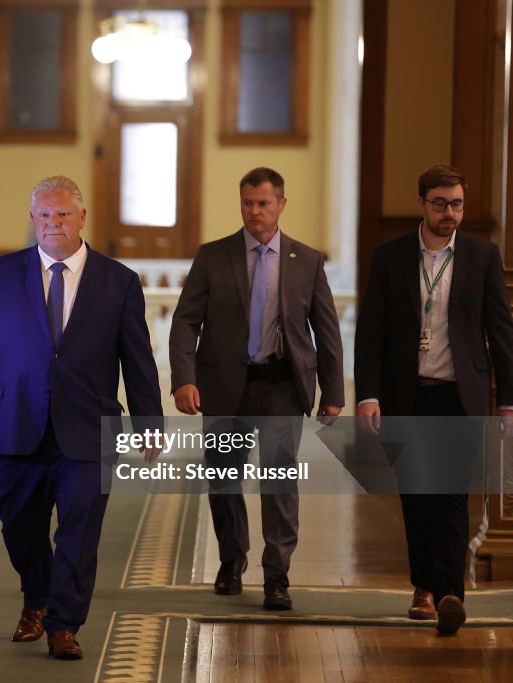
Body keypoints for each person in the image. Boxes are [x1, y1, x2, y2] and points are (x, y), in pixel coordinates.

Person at [0, 175, 162, 660]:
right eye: (43, 214)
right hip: (16, 422)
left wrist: (150, 423)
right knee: (17, 522)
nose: (53, 223)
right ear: (32, 219)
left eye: (62, 214)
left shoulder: (119, 281)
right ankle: (38, 598)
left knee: (79, 531)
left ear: (82, 217)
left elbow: (138, 359)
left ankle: (64, 625)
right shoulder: (1, 273)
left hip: (90, 427)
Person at [168, 167, 345, 611]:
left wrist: (333, 393)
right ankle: (232, 561)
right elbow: (186, 320)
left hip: (281, 385)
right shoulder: (214, 256)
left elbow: (327, 330)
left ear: (281, 204)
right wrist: (184, 378)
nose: (254, 211)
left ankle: (276, 576)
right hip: (225, 387)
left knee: (279, 482)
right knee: (224, 481)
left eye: (263, 203)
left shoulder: (306, 260)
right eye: (247, 203)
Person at [354, 164, 513, 635]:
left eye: (457, 204)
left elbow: (500, 332)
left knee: (451, 496)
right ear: (422, 203)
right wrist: (368, 395)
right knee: (417, 496)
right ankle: (423, 586)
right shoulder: (390, 256)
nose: (450, 213)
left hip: (459, 396)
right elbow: (371, 333)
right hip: (407, 396)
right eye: (441, 203)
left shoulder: (482, 256)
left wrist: (508, 401)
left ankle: (448, 594)